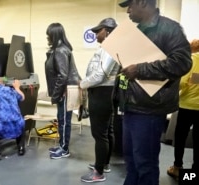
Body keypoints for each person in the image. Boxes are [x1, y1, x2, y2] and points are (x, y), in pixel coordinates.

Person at [117, 0, 192, 185]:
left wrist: (140, 69)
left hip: (149, 110)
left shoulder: (170, 28)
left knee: (145, 164)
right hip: (130, 106)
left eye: (130, 6)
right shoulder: (137, 31)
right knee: (131, 161)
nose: (128, 10)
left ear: (142, 2)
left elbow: (182, 63)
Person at [79, 18, 120, 182]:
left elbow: (101, 74)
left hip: (103, 93)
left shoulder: (110, 47)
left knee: (99, 134)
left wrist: (82, 84)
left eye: (99, 30)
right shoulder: (110, 47)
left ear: (108, 31)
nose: (96, 34)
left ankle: (98, 172)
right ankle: (104, 163)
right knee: (107, 131)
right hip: (107, 92)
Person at [45, 23, 81, 159]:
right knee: (61, 120)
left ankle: (65, 149)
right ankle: (62, 145)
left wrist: (56, 94)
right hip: (63, 91)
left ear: (53, 35)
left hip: (65, 92)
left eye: (48, 34)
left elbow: (63, 75)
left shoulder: (60, 50)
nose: (47, 37)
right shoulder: (60, 49)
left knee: (64, 121)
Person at [167, 39, 199, 179]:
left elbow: (183, 82)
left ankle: (177, 167)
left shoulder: (192, 60)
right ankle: (194, 172)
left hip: (187, 106)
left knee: (180, 137)